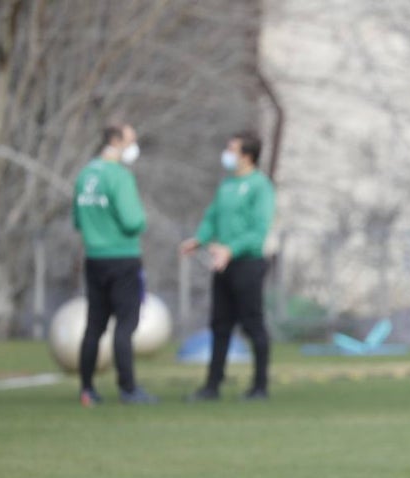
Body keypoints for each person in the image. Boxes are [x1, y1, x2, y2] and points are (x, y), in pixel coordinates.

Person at [180, 131, 275, 401]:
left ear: (247, 156)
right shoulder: (227, 185)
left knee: (253, 325)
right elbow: (212, 217)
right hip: (223, 265)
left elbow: (259, 230)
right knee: (220, 324)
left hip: (247, 263)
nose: (227, 154)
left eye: (232, 149)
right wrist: (199, 239)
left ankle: (259, 386)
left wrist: (230, 249)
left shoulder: (260, 186)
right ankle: (212, 385)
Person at [72, 123, 157, 406]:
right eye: (131, 140)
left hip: (94, 258)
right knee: (125, 324)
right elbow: (133, 221)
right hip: (122, 258)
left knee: (94, 325)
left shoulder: (85, 174)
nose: (134, 146)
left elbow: (77, 220)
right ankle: (128, 388)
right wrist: (140, 220)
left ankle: (87, 389)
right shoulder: (119, 176)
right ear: (116, 141)